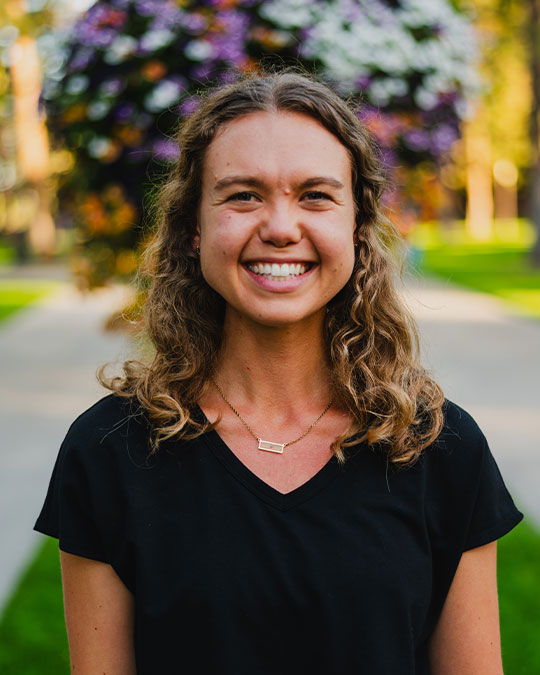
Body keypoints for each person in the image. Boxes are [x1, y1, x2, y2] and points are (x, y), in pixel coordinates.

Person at [35, 70, 522, 674]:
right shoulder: (109, 451)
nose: (282, 228)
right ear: (193, 228)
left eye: (315, 195)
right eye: (243, 195)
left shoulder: (440, 449)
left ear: (356, 226)